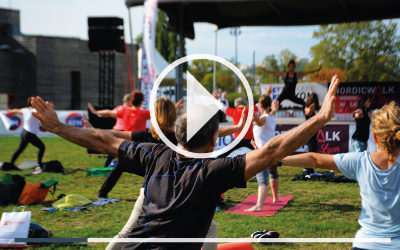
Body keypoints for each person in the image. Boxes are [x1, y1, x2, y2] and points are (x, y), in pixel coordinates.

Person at [31, 75, 339, 250]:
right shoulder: (213, 172)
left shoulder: (152, 154)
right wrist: (320, 118)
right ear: (210, 142)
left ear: (177, 135)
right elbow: (272, 151)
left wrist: (57, 127)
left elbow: (101, 140)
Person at [280, 101, 400, 250]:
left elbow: (315, 159)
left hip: (365, 245)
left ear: (374, 137)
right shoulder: (360, 161)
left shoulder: (361, 161)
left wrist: (277, 160)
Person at [246, 95, 280, 212]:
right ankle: (275, 198)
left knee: (262, 179)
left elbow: (260, 122)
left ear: (260, 106)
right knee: (273, 173)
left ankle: (259, 205)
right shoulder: (271, 116)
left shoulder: (265, 118)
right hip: (271, 151)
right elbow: (272, 112)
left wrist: (255, 120)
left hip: (264, 154)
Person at [88, 93, 133, 167]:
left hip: (116, 130)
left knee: (114, 149)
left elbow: (109, 113)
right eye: (132, 101)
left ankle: (107, 165)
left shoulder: (118, 107)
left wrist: (96, 113)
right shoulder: (128, 109)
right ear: (129, 101)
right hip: (123, 131)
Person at [7, 96, 46, 168]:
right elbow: (43, 111)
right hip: (29, 134)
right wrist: (46, 105)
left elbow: (16, 110)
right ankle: (40, 164)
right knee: (42, 147)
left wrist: (9, 110)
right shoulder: (35, 111)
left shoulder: (25, 110)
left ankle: (11, 164)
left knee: (20, 150)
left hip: (24, 133)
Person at [302, 92, 321, 175]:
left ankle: (311, 169)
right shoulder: (307, 108)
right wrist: (310, 108)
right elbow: (307, 113)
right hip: (309, 134)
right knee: (311, 152)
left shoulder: (313, 110)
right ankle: (307, 170)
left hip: (313, 133)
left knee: (313, 151)